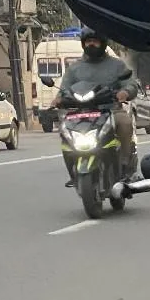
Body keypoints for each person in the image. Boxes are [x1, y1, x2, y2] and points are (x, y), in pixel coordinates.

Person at [52, 27, 138, 188]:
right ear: (83, 44)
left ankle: (125, 165)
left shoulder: (117, 65)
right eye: (88, 41)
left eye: (95, 41)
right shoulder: (74, 68)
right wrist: (58, 99)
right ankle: (73, 169)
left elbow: (130, 83)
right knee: (64, 130)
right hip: (81, 113)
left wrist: (125, 92)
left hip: (110, 110)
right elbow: (64, 89)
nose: (91, 44)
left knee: (125, 123)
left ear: (103, 43)